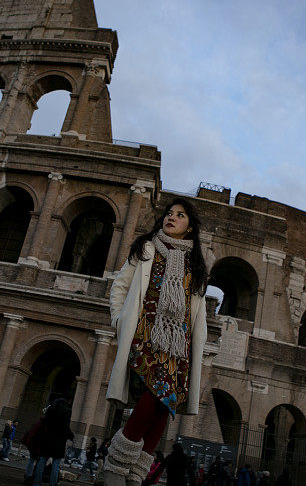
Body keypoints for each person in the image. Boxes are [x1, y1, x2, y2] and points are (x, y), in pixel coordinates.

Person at [103, 199, 209, 486]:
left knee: (164, 408)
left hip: (179, 346)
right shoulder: (146, 248)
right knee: (153, 400)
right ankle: (114, 471)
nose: (171, 217)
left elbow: (196, 311)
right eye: (169, 213)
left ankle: (134, 476)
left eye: (180, 215)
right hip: (147, 336)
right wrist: (118, 320)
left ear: (190, 227)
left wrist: (196, 342)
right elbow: (121, 287)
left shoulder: (197, 265)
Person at [27, 398, 75, 486]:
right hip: (59, 441)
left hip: (47, 439)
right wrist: (71, 436)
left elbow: (45, 423)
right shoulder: (67, 411)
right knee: (56, 463)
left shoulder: (50, 409)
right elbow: (66, 426)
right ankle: (53, 483)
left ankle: (37, 482)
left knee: (42, 460)